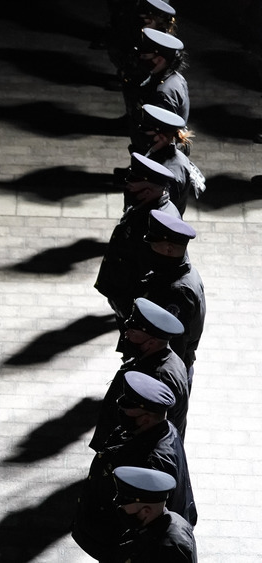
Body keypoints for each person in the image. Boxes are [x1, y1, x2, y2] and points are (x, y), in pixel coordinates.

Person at [73, 372, 196, 561]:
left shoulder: (153, 463)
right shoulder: (156, 428)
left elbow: (148, 508)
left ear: (146, 418)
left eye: (129, 409)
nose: (122, 410)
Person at [95, 152, 180, 331]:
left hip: (134, 304)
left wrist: (130, 306)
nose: (128, 188)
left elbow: (151, 271)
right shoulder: (145, 205)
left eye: (132, 185)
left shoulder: (157, 223)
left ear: (148, 191)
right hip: (124, 296)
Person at [91, 297, 189, 447]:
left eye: (133, 331)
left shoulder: (159, 377)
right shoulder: (153, 358)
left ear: (151, 342)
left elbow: (155, 428)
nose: (126, 334)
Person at [136, 210, 205, 383]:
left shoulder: (177, 291)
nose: (149, 248)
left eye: (153, 244)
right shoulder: (177, 271)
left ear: (168, 248)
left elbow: (173, 342)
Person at [121, 28, 188, 151]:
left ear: (160, 59)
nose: (141, 60)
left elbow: (162, 137)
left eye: (145, 56)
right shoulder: (172, 77)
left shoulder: (163, 93)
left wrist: (145, 156)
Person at [112, 466, 197, 562]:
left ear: (146, 511)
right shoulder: (162, 522)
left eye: (124, 506)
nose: (121, 509)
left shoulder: (169, 551)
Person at [135, 104, 203, 215]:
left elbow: (165, 211)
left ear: (161, 136)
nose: (143, 134)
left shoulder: (170, 172)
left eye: (146, 131)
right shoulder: (159, 151)